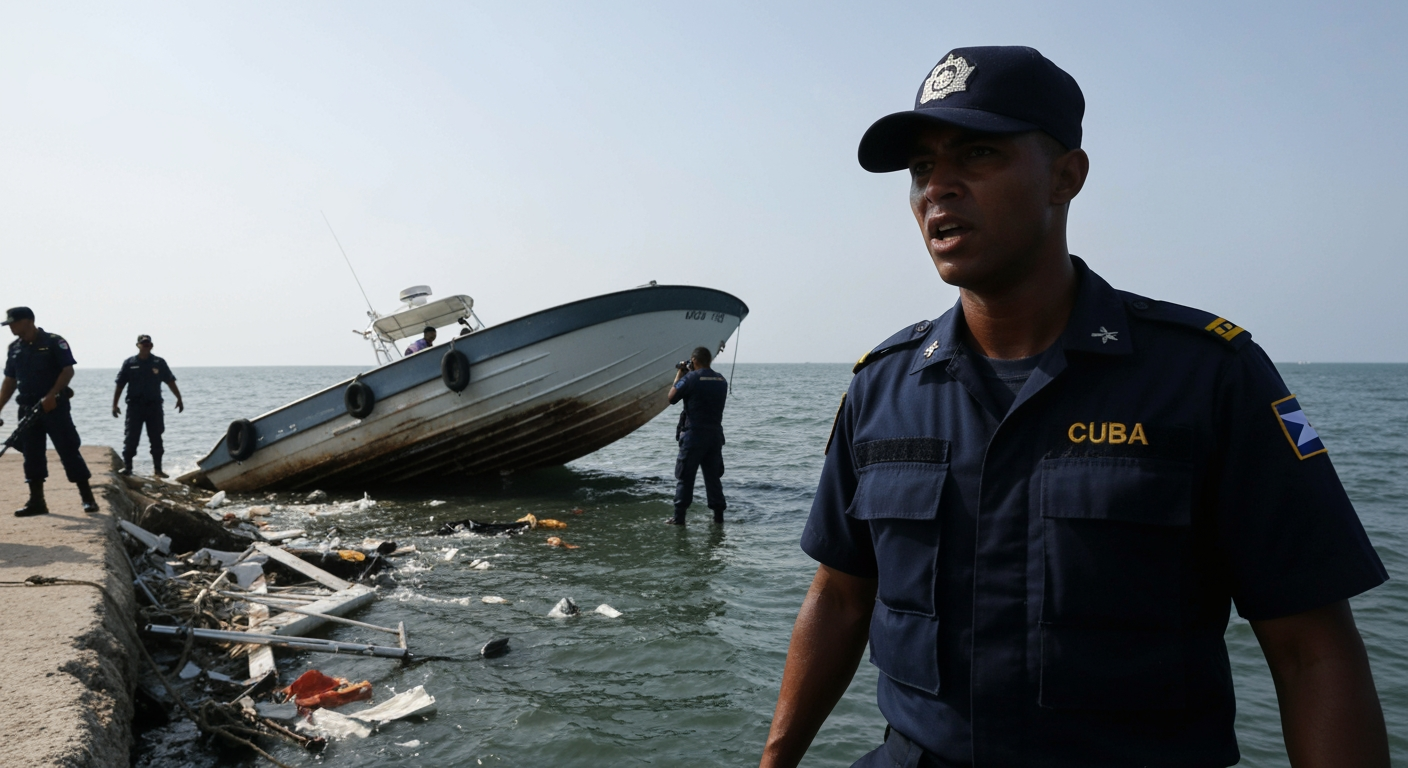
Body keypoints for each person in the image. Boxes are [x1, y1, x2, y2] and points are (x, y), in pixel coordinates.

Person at [760, 47, 1390, 768]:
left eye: (977, 153)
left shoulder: (1208, 377)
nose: (938, 187)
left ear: (1067, 176)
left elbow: (1312, 649)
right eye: (921, 168)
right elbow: (839, 599)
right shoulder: (884, 387)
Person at [0, 307, 98, 515]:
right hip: (27, 408)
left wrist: (52, 395)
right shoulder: (14, 348)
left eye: (14, 323)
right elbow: (10, 381)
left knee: (68, 450)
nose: (11, 327)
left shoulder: (54, 342)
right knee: (31, 455)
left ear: (29, 321)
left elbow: (68, 370)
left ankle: (88, 498)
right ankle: (37, 502)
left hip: (54, 408)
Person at [665, 346, 728, 524]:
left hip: (694, 437)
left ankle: (679, 519)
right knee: (713, 478)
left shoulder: (691, 378)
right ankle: (718, 517)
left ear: (694, 361)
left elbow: (671, 398)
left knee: (685, 478)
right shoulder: (721, 379)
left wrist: (680, 372)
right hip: (714, 436)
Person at [112, 334, 183, 477]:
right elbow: (120, 385)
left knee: (156, 438)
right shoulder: (130, 363)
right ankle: (128, 468)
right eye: (143, 344)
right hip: (135, 407)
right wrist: (115, 404)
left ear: (152, 345)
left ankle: (158, 470)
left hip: (154, 407)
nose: (146, 346)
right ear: (137, 345)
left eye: (148, 344)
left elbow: (170, 381)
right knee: (131, 438)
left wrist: (179, 398)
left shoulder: (159, 362)